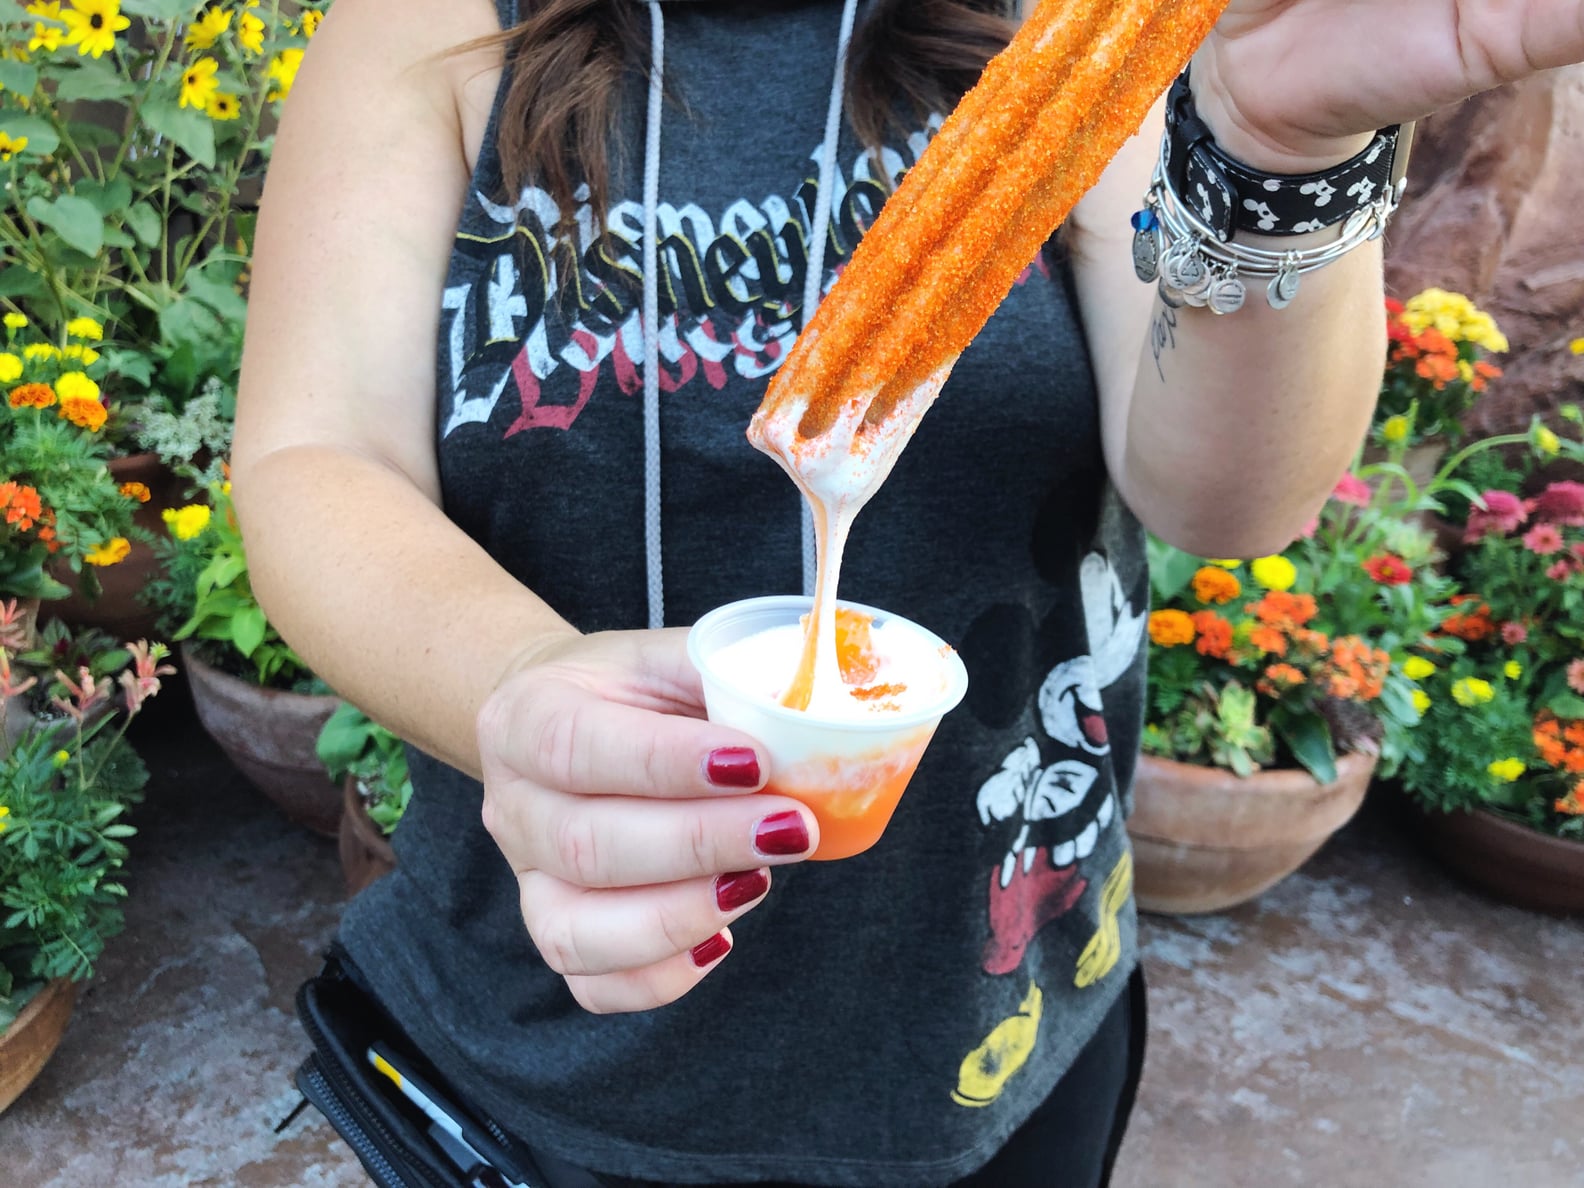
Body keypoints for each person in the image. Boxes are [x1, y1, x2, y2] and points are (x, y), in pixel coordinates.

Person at [233, 0, 1584, 1184]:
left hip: (989, 1018)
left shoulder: (1084, 25)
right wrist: (514, 687)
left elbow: (1228, 500)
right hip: (546, 1026)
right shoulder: (432, 25)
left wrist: (1278, 156)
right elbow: (317, 454)